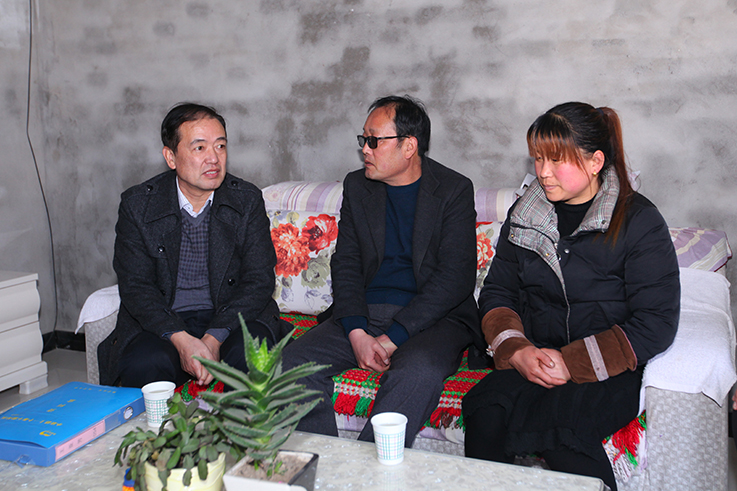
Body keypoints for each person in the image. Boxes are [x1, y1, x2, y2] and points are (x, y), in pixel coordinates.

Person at [462, 102, 680, 490]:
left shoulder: (639, 221)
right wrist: (517, 351)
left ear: (595, 162)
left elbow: (656, 322)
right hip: (537, 355)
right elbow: (498, 292)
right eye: (537, 158)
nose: (542, 172)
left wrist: (571, 362)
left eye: (555, 160)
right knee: (485, 410)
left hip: (607, 367)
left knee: (562, 434)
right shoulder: (526, 215)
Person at [281, 95, 479, 447]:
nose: (365, 150)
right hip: (366, 311)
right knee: (291, 363)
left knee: (418, 373)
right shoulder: (358, 187)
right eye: (364, 139)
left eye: (374, 141)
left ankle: (369, 468)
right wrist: (357, 331)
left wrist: (394, 337)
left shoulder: (453, 190)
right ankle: (325, 462)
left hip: (433, 320)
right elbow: (346, 262)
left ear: (409, 146)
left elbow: (454, 277)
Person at [98, 103, 291, 388]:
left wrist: (213, 338)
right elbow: (136, 286)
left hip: (232, 317)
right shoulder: (138, 205)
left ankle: (242, 420)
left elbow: (258, 280)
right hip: (165, 322)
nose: (214, 158)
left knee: (253, 357)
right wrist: (181, 339)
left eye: (220, 146)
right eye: (200, 148)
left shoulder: (246, 200)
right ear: (171, 157)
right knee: (145, 364)